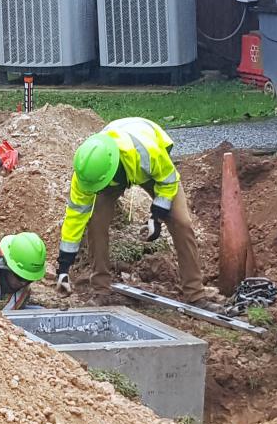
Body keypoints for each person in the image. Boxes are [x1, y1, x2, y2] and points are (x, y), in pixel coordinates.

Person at [55, 117, 222, 311]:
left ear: (112, 170)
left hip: (150, 169)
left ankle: (195, 294)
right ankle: (101, 289)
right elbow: (75, 219)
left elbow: (168, 181)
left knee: (181, 222)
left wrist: (156, 217)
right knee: (95, 223)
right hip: (113, 168)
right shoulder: (86, 175)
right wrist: (63, 268)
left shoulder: (148, 153)